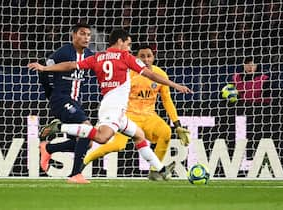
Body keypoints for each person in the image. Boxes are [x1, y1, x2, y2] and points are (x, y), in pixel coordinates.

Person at [28, 28, 193, 180]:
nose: (129, 48)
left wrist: (44, 68)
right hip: (113, 108)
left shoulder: (97, 57)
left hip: (116, 109)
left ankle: (161, 171)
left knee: (139, 136)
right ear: (120, 42)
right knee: (101, 138)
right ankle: (59, 128)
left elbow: (71, 65)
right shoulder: (125, 57)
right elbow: (150, 74)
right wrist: (175, 85)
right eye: (128, 44)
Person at [82, 45, 191, 181]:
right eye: (142, 56)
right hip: (128, 115)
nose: (146, 59)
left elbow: (167, 101)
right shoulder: (129, 74)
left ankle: (154, 172)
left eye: (149, 56)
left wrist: (177, 125)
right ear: (136, 58)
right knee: (118, 145)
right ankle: (85, 160)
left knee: (166, 132)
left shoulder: (161, 74)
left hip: (149, 116)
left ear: (154, 57)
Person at [37, 23, 94, 184]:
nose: (86, 38)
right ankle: (76, 174)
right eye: (82, 34)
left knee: (87, 142)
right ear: (74, 35)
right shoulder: (63, 52)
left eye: (88, 35)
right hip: (61, 99)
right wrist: (50, 94)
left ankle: (48, 148)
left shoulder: (89, 54)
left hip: (75, 102)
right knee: (87, 127)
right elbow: (44, 70)